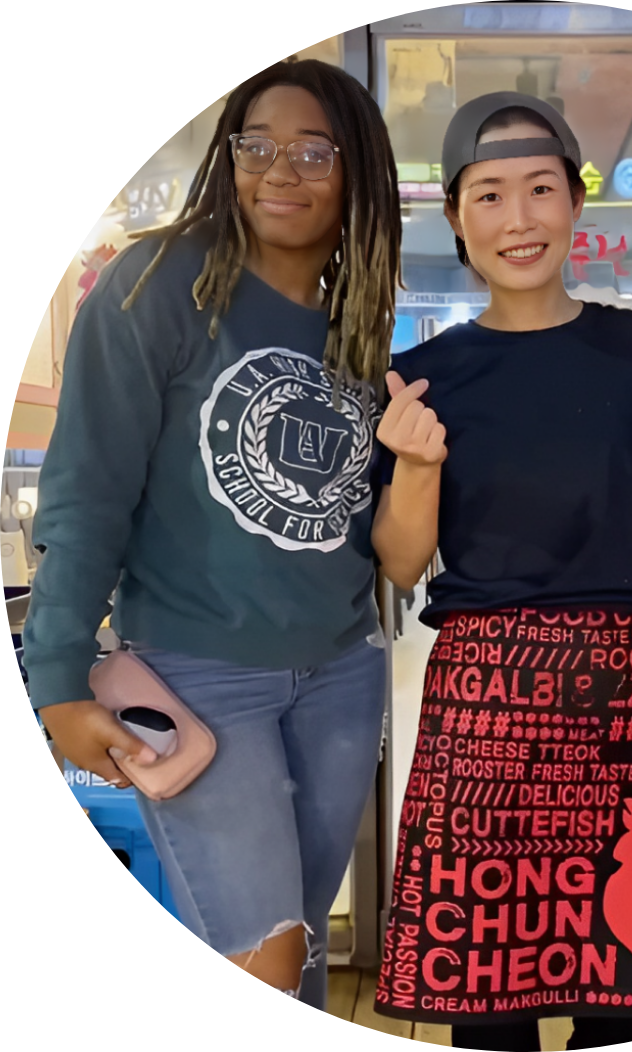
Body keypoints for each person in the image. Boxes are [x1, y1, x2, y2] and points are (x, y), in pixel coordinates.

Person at [22, 58, 402, 1009]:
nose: (280, 170)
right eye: (257, 146)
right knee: (263, 952)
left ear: (356, 171)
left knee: (298, 950)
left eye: (314, 152)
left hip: (342, 674)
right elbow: (88, 489)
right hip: (199, 675)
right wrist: (56, 675)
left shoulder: (355, 320)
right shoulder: (158, 283)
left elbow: (355, 513)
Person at [370, 92, 632, 1050]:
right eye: (489, 196)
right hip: (487, 697)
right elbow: (402, 561)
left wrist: (629, 490)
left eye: (541, 189)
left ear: (576, 203)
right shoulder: (424, 372)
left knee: (626, 1003)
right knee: (487, 1013)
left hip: (630, 689)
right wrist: (416, 464)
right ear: (457, 218)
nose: (519, 218)